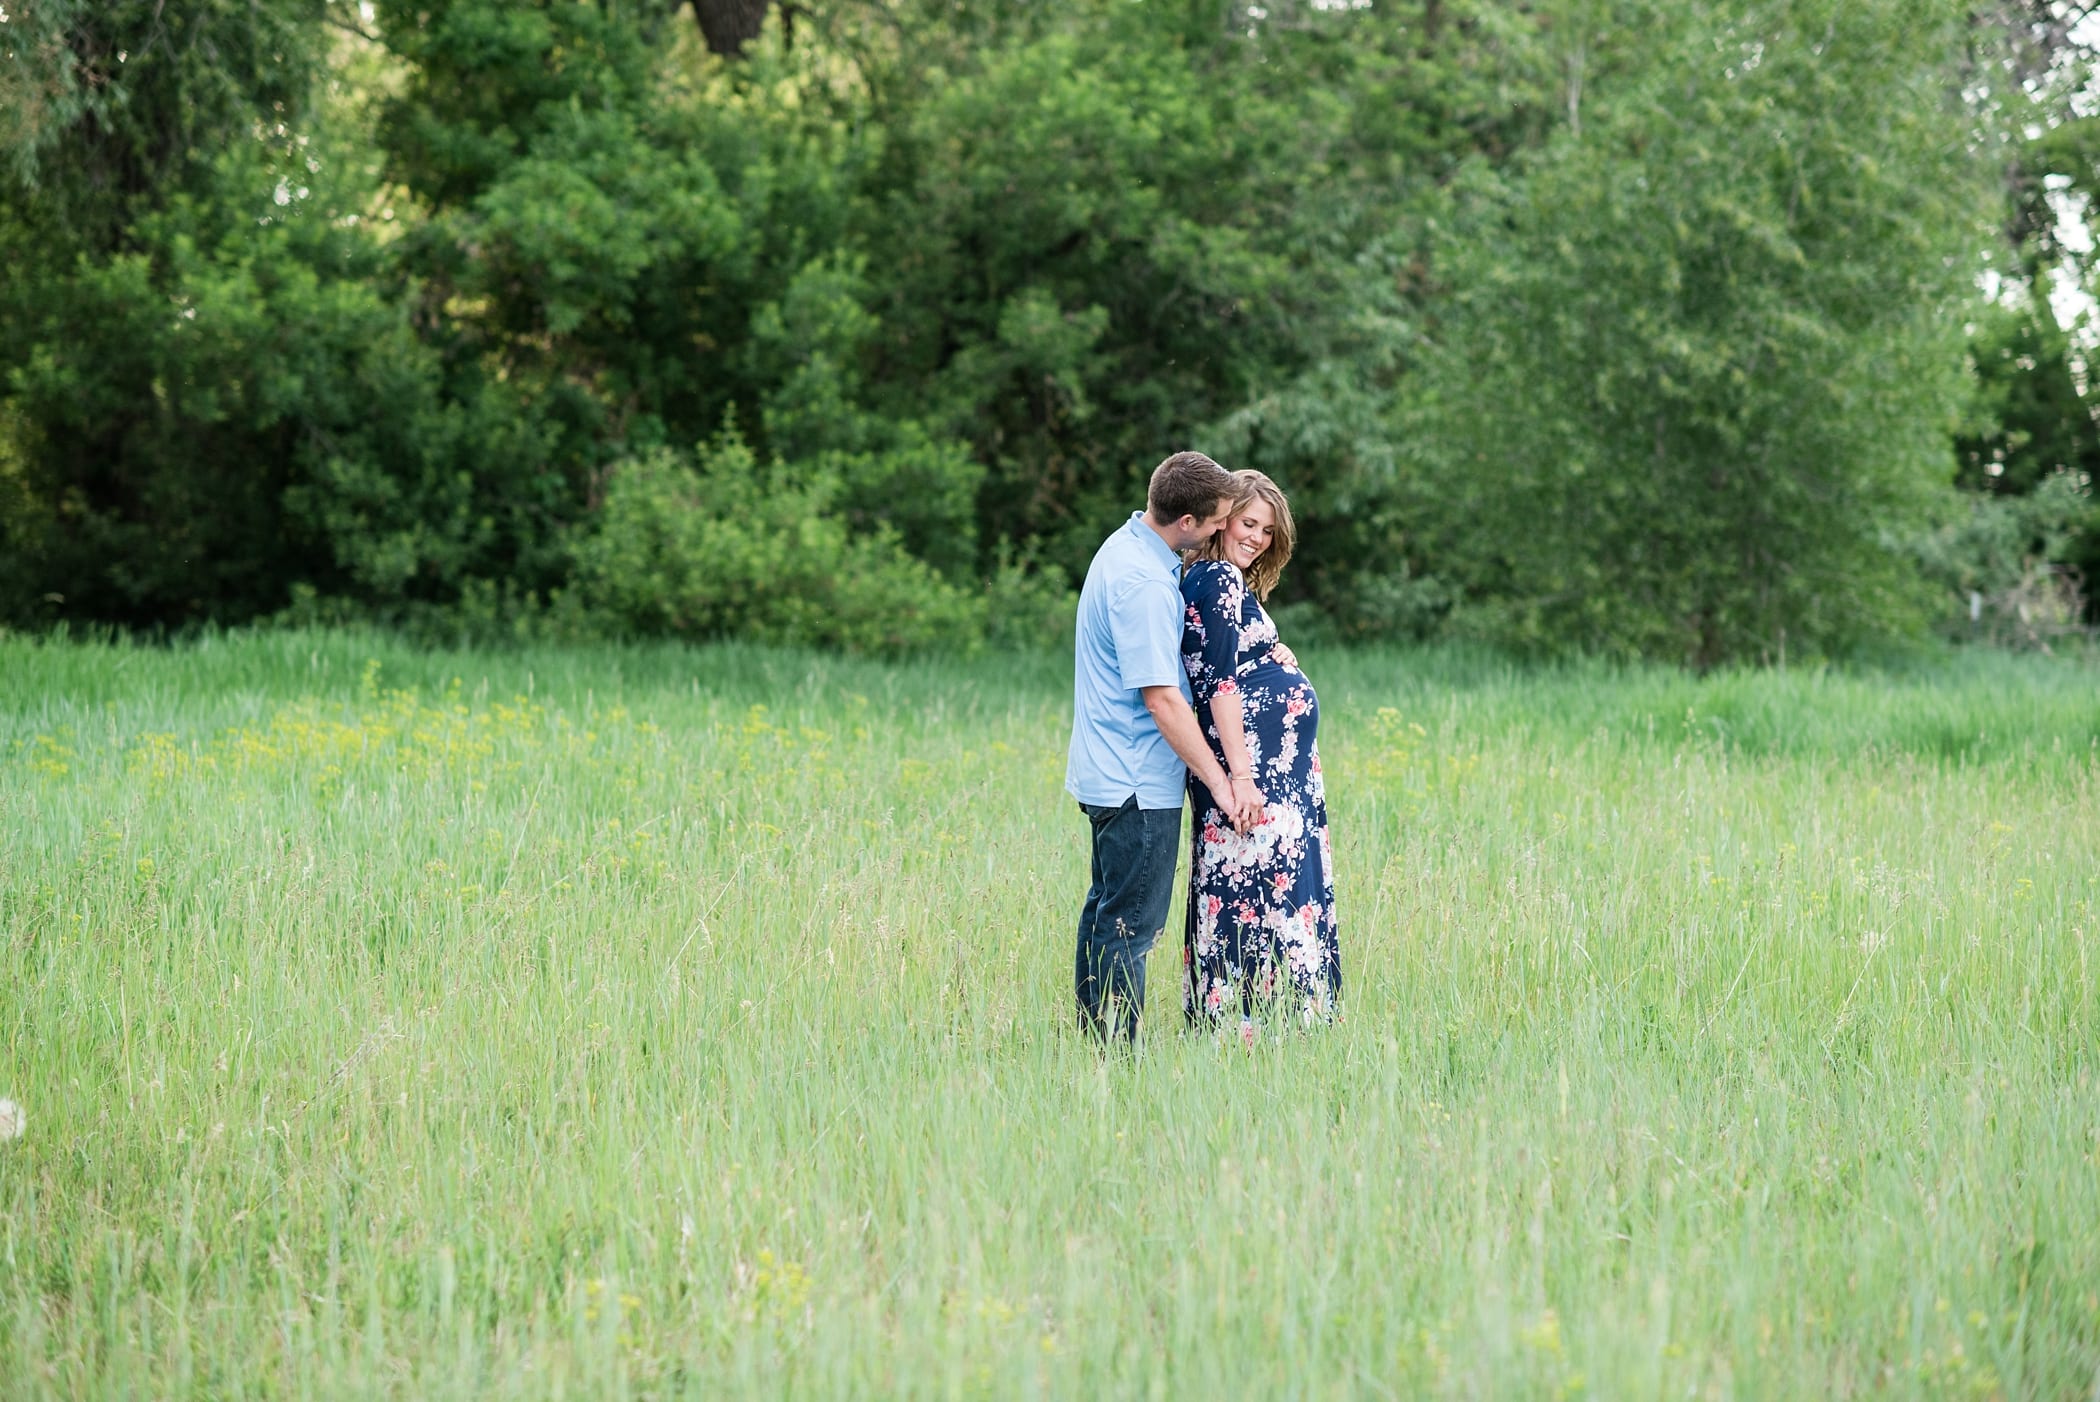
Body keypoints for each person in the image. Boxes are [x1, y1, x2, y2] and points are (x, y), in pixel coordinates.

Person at [1066, 451, 1261, 1043]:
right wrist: (1223, 781)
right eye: (1217, 521)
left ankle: (1093, 1046)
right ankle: (1114, 1057)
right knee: (1132, 928)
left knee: (1105, 913)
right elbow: (1163, 700)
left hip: (1105, 771)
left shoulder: (1122, 547)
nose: (1222, 531)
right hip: (1136, 781)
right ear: (1187, 524)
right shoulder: (1147, 584)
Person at [1179, 470, 1340, 1035]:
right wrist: (1242, 777)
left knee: (1255, 886)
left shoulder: (1222, 584)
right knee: (1259, 889)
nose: (1257, 539)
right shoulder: (1219, 578)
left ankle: (1253, 1027)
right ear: (1221, 522)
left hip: (1274, 771)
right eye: (1248, 523)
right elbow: (1220, 684)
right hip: (1254, 773)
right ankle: (1259, 1028)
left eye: (1268, 531)